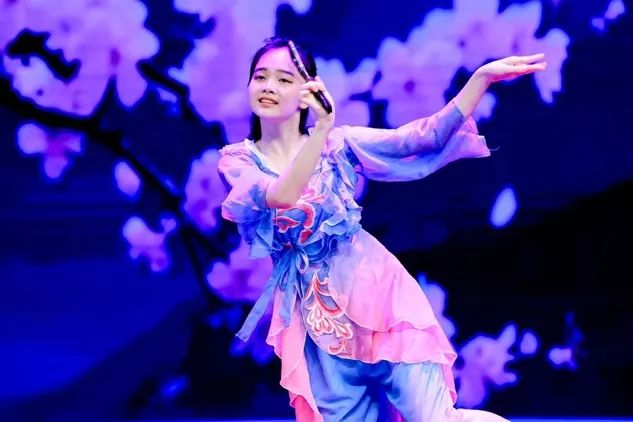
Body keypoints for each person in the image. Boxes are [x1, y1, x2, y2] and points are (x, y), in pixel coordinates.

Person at [217, 36, 546, 421]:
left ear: (309, 92)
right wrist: (320, 132)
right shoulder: (237, 162)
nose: (269, 87)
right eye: (260, 77)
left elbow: (422, 137)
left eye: (284, 79)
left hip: (381, 303)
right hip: (318, 330)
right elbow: (281, 195)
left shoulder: (337, 144)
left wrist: (480, 79)